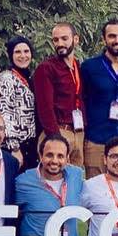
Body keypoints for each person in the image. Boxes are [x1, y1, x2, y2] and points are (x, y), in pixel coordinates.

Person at [78, 18, 118, 176]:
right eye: (112, 36)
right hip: (98, 140)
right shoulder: (89, 67)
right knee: (97, 193)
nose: (117, 40)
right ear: (104, 39)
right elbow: (81, 99)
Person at [33, 21, 85, 168]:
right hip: (57, 132)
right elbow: (45, 108)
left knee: (75, 181)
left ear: (75, 39)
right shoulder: (46, 68)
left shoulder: (79, 67)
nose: (60, 43)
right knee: (53, 181)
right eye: (55, 40)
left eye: (64, 38)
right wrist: (55, 138)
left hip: (78, 133)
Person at [0, 36, 38, 168]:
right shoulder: (7, 78)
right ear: (10, 55)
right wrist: (14, 148)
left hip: (30, 144)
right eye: (17, 52)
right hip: (16, 147)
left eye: (26, 51)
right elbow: (5, 113)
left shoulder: (28, 77)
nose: (23, 56)